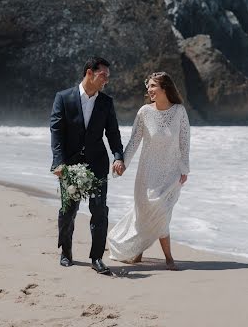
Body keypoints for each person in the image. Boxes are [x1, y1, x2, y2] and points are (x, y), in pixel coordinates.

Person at [50, 56, 125, 274]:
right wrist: (58, 162)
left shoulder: (106, 102)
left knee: (100, 212)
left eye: (108, 77)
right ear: (89, 73)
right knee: (68, 211)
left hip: (97, 164)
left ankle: (97, 258)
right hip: (70, 165)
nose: (106, 80)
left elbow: (113, 132)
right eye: (103, 75)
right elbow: (56, 133)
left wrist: (118, 156)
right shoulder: (63, 98)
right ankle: (66, 251)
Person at [108, 71, 190, 270]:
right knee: (145, 213)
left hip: (171, 174)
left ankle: (169, 258)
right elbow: (134, 141)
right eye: (149, 87)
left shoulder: (179, 111)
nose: (149, 90)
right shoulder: (145, 112)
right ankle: (137, 252)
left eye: (153, 86)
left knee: (162, 213)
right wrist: (122, 162)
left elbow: (185, 142)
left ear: (164, 88)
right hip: (148, 174)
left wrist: (184, 169)